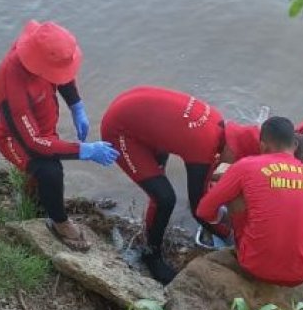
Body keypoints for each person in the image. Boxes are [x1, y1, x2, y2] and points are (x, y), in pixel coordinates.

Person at [100, 86, 260, 283]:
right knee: (165, 199)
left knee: (160, 188)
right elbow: (200, 209)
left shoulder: (218, 125)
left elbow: (212, 177)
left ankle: (151, 231)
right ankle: (151, 256)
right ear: (234, 151)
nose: (229, 167)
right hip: (121, 131)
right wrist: (230, 235)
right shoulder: (204, 147)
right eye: (234, 163)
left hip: (140, 116)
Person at [0, 20, 119, 250]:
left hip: (42, 126)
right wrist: (85, 150)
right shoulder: (12, 85)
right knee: (50, 169)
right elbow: (34, 143)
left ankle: (32, 195)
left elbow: (60, 70)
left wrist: (76, 105)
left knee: (42, 170)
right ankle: (58, 222)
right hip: (17, 138)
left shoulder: (38, 42)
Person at [196, 116, 303, 292]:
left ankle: (240, 246)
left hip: (254, 265)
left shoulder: (246, 165)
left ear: (262, 146)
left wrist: (223, 219)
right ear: (295, 146)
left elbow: (204, 210)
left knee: (238, 190)